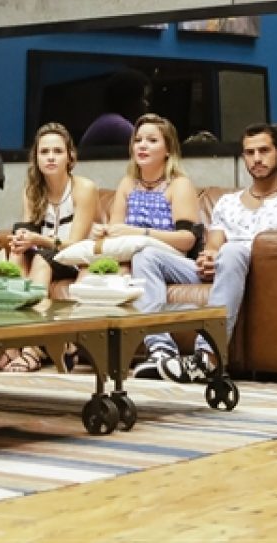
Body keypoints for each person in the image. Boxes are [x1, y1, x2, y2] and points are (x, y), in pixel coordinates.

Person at [130, 123, 277, 382]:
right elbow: (214, 244)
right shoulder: (228, 202)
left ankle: (208, 358)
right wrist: (208, 257)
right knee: (145, 255)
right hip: (223, 269)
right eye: (250, 153)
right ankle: (161, 351)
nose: (257, 159)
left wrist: (227, 254)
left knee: (232, 251)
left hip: (260, 275)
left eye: (264, 151)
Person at [94, 113, 201, 377]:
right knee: (104, 271)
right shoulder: (127, 184)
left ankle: (162, 350)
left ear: (168, 150)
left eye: (152, 140)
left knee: (146, 254)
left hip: (179, 264)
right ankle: (94, 350)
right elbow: (116, 234)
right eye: (138, 140)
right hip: (138, 263)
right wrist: (103, 231)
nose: (142, 145)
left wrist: (140, 234)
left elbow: (186, 240)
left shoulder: (179, 185)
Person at [0, 122, 98, 372]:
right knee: (15, 256)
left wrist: (39, 241)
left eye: (57, 151)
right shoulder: (32, 190)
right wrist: (21, 239)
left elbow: (75, 244)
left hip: (73, 258)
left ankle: (32, 348)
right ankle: (10, 344)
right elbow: (28, 231)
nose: (50, 157)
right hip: (42, 254)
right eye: (44, 152)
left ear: (70, 157)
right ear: (36, 158)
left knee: (41, 259)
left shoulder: (84, 188)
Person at [80, 68, 149, 147]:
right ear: (130, 100)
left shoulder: (108, 120)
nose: (147, 104)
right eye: (143, 98)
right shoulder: (116, 125)